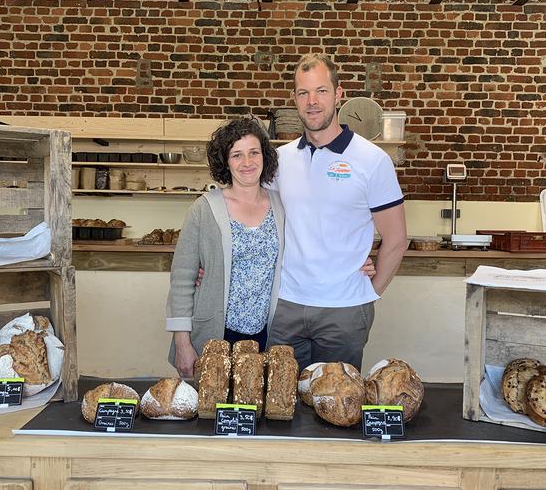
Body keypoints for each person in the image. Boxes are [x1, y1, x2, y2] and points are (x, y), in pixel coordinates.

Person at [267, 53, 408, 371]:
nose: (312, 101)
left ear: (338, 94)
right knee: (280, 404)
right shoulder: (280, 160)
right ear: (294, 99)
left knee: (336, 406)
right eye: (303, 93)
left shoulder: (372, 160)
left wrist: (369, 294)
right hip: (285, 305)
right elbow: (259, 223)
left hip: (343, 309)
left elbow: (396, 239)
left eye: (321, 91)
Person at [166, 117, 284, 378]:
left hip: (267, 336)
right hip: (214, 334)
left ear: (265, 156)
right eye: (237, 155)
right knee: (211, 410)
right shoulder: (204, 209)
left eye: (254, 152)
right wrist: (182, 342)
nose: (247, 162)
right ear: (225, 161)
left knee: (257, 409)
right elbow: (182, 279)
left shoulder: (281, 206)